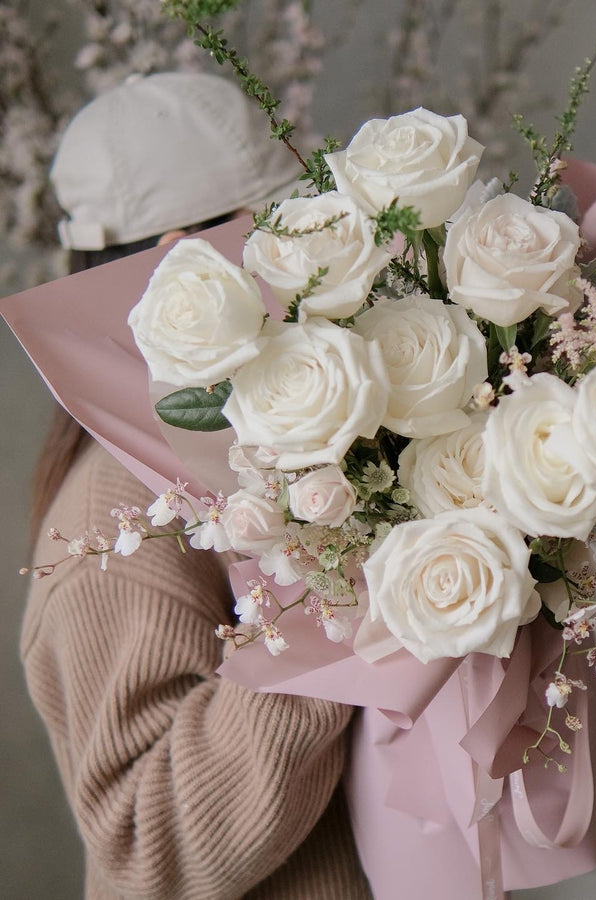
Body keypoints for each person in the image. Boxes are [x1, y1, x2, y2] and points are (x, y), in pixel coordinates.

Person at [22, 72, 372, 899]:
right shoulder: (116, 512)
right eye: (280, 227)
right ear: (182, 255)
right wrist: (347, 604)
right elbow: (148, 848)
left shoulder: (240, 437)